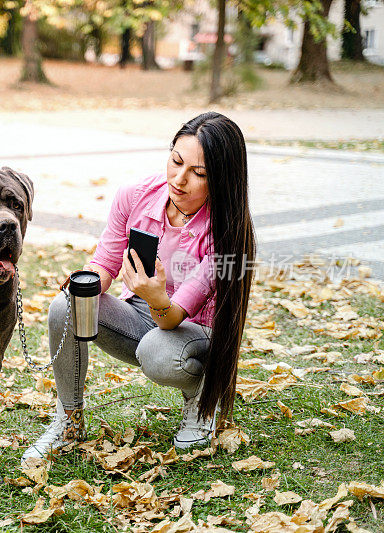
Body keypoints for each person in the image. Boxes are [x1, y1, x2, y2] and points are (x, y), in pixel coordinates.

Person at [22, 112, 256, 460]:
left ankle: (204, 392)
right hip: (142, 315)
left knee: (158, 352)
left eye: (199, 174)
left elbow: (172, 316)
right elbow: (105, 263)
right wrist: (85, 283)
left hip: (195, 331)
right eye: (176, 161)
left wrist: (155, 295)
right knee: (66, 305)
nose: (179, 179)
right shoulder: (135, 195)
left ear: (221, 180)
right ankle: (69, 421)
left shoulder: (227, 232)